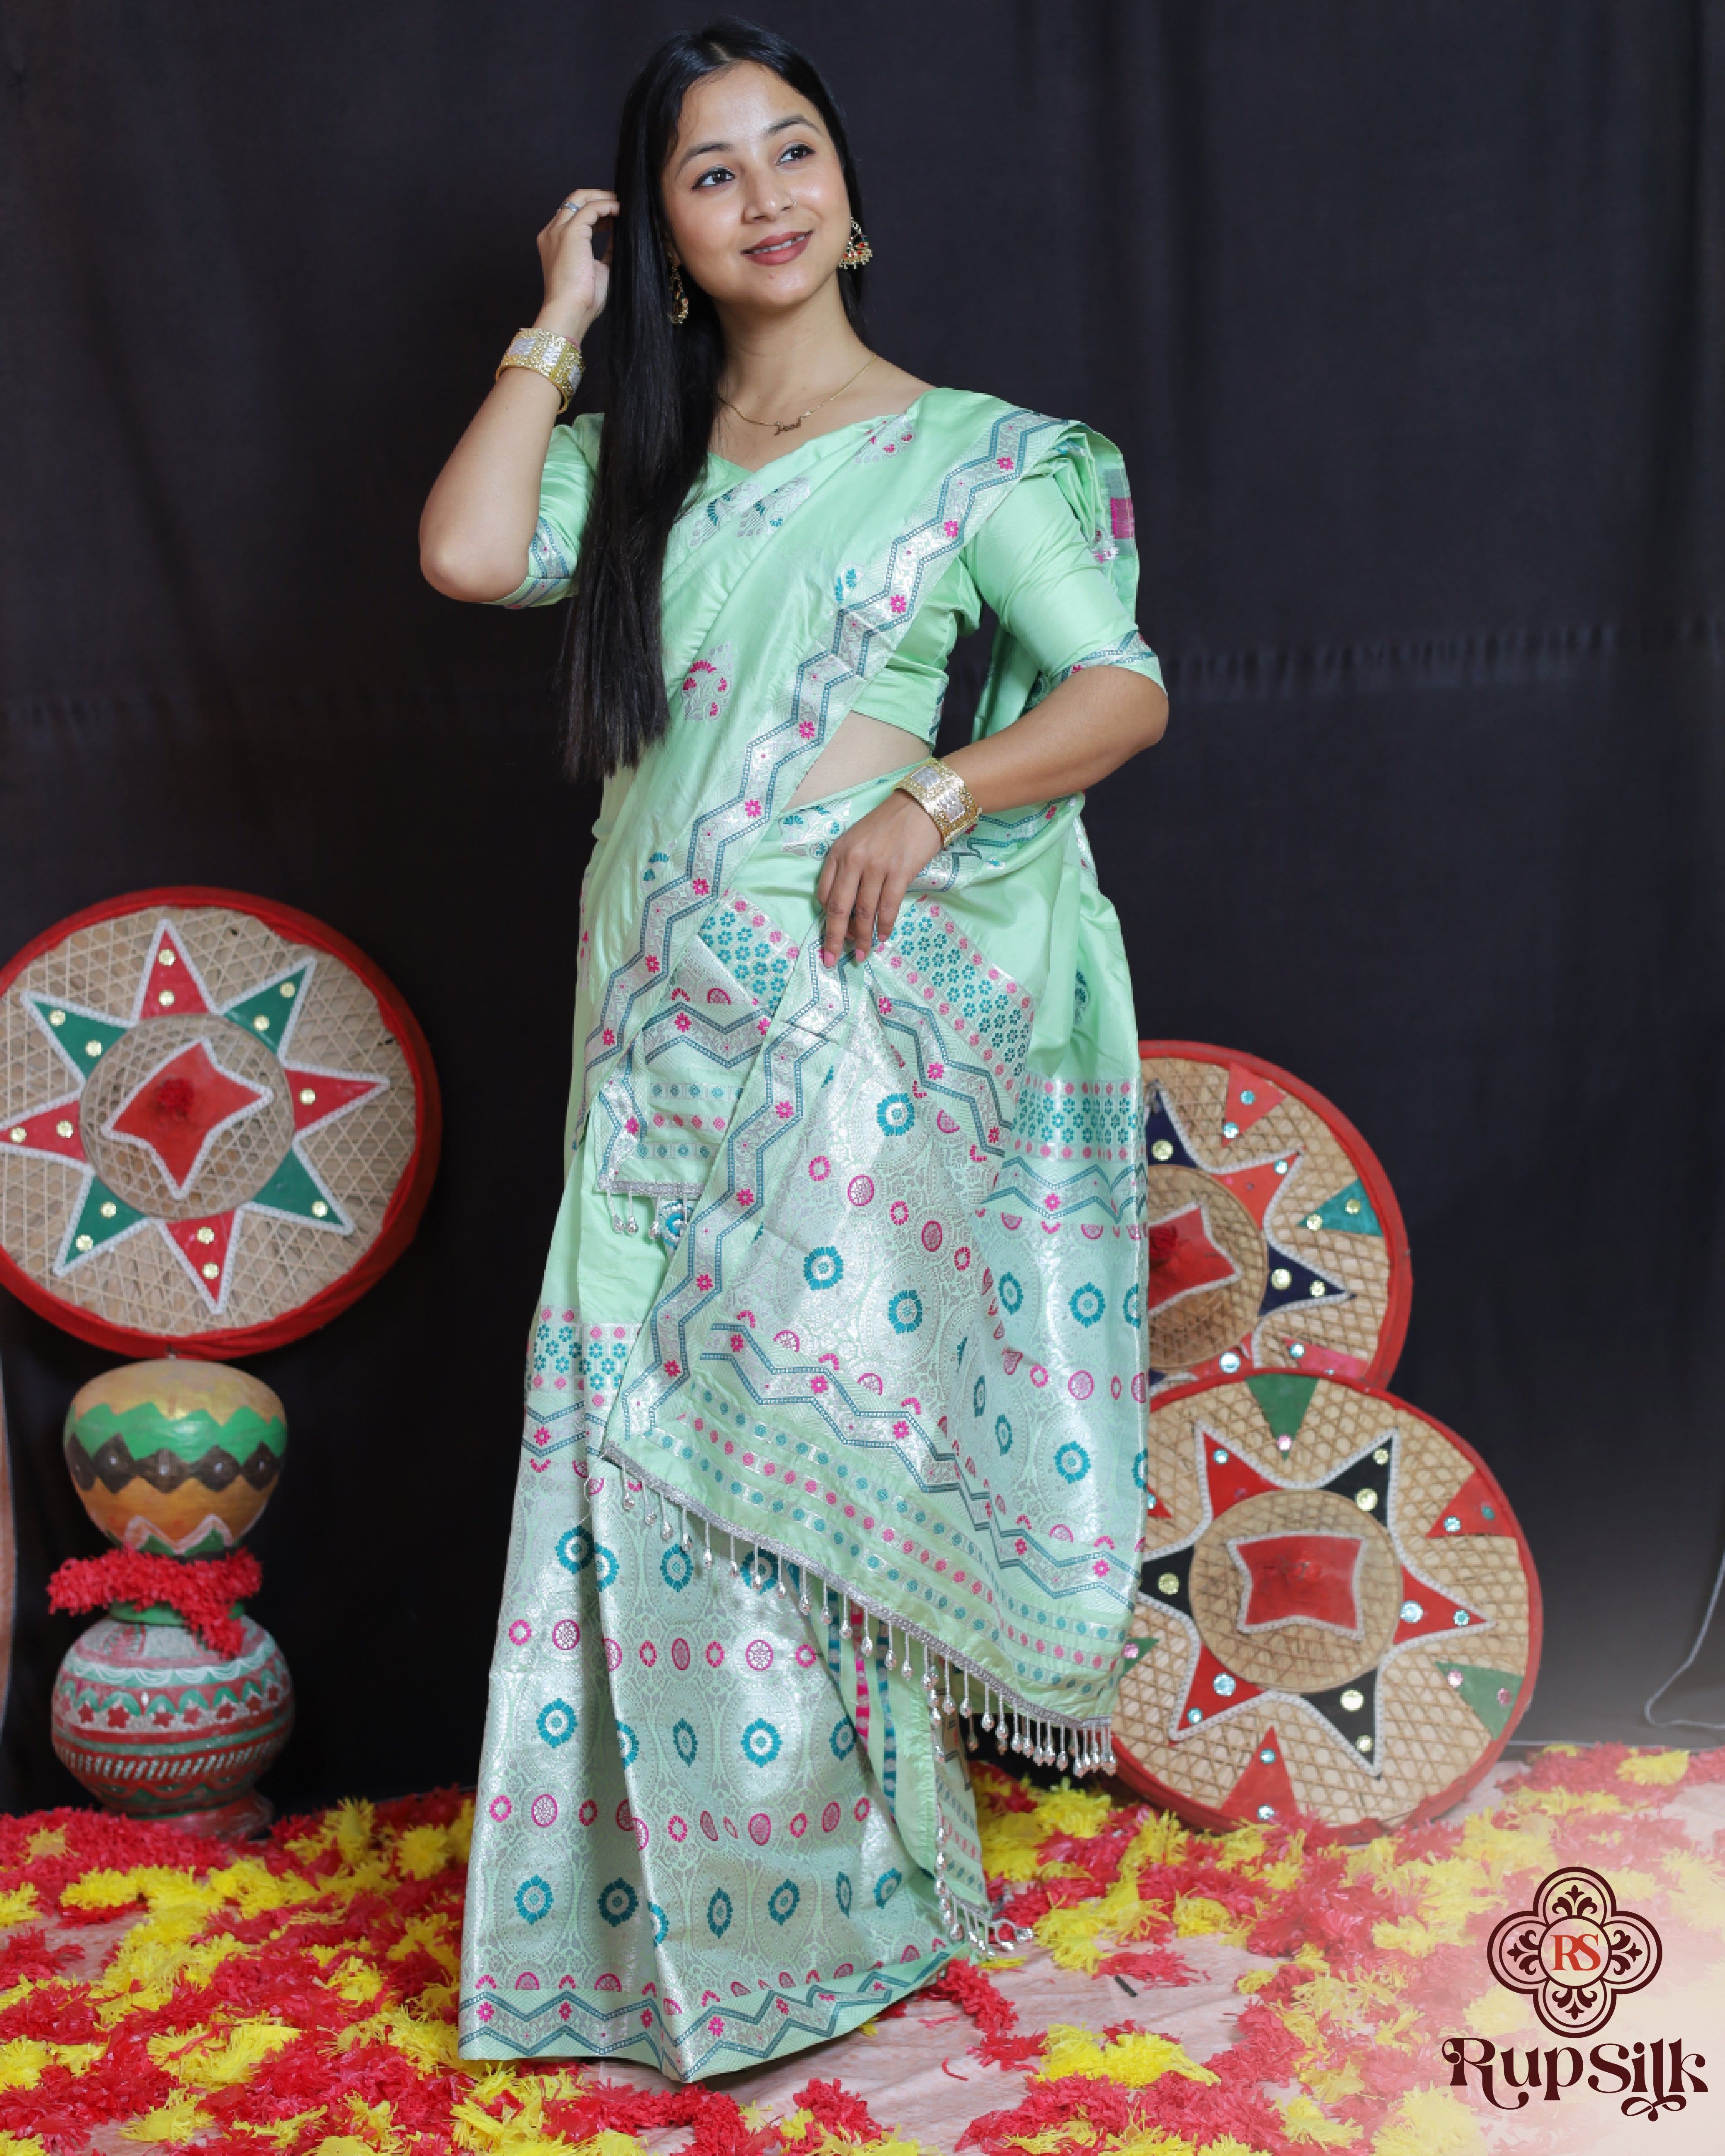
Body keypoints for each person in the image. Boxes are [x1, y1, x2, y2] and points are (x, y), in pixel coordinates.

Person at [421, 17, 1167, 2083]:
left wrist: (933, 795)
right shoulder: (640, 471)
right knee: (626, 1431)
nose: (763, 195)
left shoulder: (975, 455)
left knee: (778, 1443)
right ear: (661, 232)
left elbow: (1116, 689)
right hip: (639, 1027)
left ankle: (834, 1914)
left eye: (793, 152)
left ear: (851, 195)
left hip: (830, 1015)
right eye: (708, 171)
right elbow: (468, 552)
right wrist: (556, 323)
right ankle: (645, 1941)